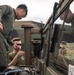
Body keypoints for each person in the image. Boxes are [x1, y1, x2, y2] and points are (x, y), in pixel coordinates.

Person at [0, 4, 28, 71]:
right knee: (2, 64)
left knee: (3, 64)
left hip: (3, 38)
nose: (20, 18)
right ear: (22, 11)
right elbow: (1, 9)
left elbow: (7, 35)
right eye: (22, 16)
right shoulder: (9, 10)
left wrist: (13, 44)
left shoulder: (12, 21)